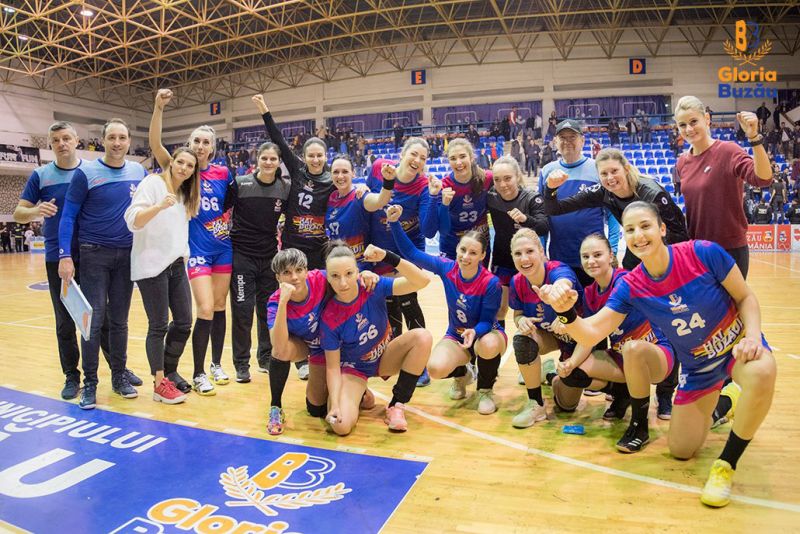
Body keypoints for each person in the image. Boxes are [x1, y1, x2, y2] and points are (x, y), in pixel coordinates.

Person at [536, 201, 776, 508]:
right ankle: (725, 403)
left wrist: (753, 336)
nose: (638, 235)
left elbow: (745, 296)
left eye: (645, 226)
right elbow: (591, 333)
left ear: (662, 229)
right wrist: (566, 312)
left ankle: (726, 465)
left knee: (761, 371)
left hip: (736, 348)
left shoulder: (703, 253)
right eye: (630, 230)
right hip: (697, 369)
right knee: (681, 450)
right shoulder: (632, 285)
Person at [14, 121, 133, 400]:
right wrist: (35, 211)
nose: (62, 144)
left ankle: (118, 369)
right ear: (50, 144)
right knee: (66, 321)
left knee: (103, 317)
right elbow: (19, 212)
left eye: (66, 138)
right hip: (58, 256)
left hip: (92, 253)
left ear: (77, 140)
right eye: (56, 140)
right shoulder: (41, 175)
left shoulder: (91, 170)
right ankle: (72, 376)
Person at [58, 118, 147, 409]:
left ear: (129, 141)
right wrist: (65, 255)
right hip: (94, 254)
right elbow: (68, 216)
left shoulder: (139, 172)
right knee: (92, 323)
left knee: (119, 321)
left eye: (122, 137)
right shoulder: (85, 173)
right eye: (112, 137)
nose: (117, 143)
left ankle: (119, 377)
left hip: (127, 256)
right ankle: (90, 383)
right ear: (103, 141)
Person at [150, 89, 235, 393]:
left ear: (213, 147)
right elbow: (156, 146)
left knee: (221, 306)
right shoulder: (183, 171)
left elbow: (233, 204)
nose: (200, 146)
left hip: (223, 249)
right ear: (190, 144)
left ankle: (216, 365)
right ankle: (198, 373)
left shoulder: (224, 173)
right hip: (197, 252)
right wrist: (159, 108)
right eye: (196, 141)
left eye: (206, 142)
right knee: (206, 308)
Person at [389, 206, 506, 413]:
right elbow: (412, 253)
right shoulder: (447, 268)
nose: (466, 256)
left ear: (482, 255)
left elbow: (487, 321)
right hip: (457, 335)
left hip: (487, 334)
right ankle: (463, 374)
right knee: (435, 368)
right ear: (457, 249)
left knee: (487, 345)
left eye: (473, 253)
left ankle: (485, 390)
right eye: (463, 250)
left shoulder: (491, 283)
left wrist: (475, 332)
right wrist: (394, 223)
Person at [556, 233, 674, 430]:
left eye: (597, 255)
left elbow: (600, 325)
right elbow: (589, 337)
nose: (591, 261)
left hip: (655, 353)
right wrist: (570, 363)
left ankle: (639, 423)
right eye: (585, 256)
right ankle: (622, 392)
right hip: (623, 355)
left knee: (632, 348)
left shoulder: (624, 281)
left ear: (610, 256)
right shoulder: (590, 293)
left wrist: (568, 320)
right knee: (573, 373)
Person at [321, 241, 432, 435]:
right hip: (354, 369)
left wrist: (388, 256)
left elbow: (422, 281)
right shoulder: (330, 317)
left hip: (384, 357)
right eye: (335, 276)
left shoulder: (372, 285)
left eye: (349, 273)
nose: (343, 283)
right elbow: (332, 368)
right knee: (340, 426)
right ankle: (360, 393)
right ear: (327, 277)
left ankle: (396, 405)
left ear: (358, 271)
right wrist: (335, 405)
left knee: (422, 337)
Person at [266, 248, 381, 435]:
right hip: (312, 348)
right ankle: (275, 407)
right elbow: (278, 346)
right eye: (287, 272)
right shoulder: (275, 302)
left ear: (306, 270)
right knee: (315, 409)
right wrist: (283, 303)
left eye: (298, 270)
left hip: (338, 345)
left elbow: (346, 276)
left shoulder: (320, 278)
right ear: (278, 277)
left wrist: (365, 274)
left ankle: (355, 391)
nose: (294, 277)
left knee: (326, 408)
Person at [124, 147, 201, 404]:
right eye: (180, 162)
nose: (184, 168)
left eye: (190, 166)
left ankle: (169, 372)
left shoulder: (185, 194)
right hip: (151, 266)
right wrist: (158, 206)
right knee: (158, 325)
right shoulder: (152, 183)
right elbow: (133, 220)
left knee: (184, 321)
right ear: (171, 162)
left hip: (176, 265)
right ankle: (159, 385)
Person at [674, 97, 772, 279]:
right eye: (682, 125)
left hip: (730, 250)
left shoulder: (728, 151)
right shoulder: (681, 162)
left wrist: (754, 138)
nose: (689, 129)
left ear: (707, 118)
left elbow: (763, 179)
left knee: (734, 299)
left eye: (694, 121)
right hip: (697, 251)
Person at [543, 148, 688, 270]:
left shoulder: (651, 194)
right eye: (604, 174)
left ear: (626, 169)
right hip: (637, 245)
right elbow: (555, 209)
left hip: (667, 250)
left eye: (614, 171)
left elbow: (679, 236)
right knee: (629, 266)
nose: (610, 178)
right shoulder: (603, 192)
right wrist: (550, 189)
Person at [366, 138, 437, 386]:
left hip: (407, 250)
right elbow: (368, 203)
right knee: (389, 305)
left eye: (423, 158)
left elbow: (427, 229)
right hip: (380, 248)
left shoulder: (423, 186)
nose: (417, 160)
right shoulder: (379, 167)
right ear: (402, 155)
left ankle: (420, 364)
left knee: (409, 301)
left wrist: (435, 197)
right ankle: (395, 359)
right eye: (413, 154)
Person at [228, 137, 291, 379]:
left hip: (269, 258)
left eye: (273, 159)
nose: (268, 162)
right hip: (242, 257)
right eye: (264, 158)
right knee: (243, 311)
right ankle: (241, 364)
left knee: (267, 310)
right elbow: (220, 210)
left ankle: (265, 357)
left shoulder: (284, 188)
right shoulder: (240, 184)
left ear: (279, 162)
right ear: (257, 160)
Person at [507, 228, 582, 428]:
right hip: (547, 335)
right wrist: (521, 320)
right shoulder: (517, 282)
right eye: (518, 253)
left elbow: (564, 281)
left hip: (576, 340)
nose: (524, 259)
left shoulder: (558, 269)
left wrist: (557, 293)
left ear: (541, 251)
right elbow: (517, 314)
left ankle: (549, 374)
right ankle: (536, 403)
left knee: (567, 405)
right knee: (522, 339)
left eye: (530, 251)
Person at [538, 119, 613, 287]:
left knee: (595, 300)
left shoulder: (597, 169)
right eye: (562, 137)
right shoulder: (547, 171)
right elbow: (542, 216)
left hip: (594, 257)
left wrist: (613, 248)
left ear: (582, 140)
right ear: (555, 141)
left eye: (572, 137)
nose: (567, 141)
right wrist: (541, 250)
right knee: (565, 300)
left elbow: (611, 214)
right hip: (560, 256)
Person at [487, 156, 548, 330]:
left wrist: (525, 219)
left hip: (528, 260)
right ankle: (497, 343)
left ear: (517, 176)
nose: (503, 184)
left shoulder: (531, 198)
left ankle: (534, 341)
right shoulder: (491, 197)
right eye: (497, 180)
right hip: (503, 260)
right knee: (500, 309)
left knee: (534, 309)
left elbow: (544, 226)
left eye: (508, 178)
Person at [428, 138, 493, 261]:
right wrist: (444, 205)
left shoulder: (488, 178)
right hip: (452, 245)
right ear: (448, 161)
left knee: (480, 274)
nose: (458, 162)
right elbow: (442, 230)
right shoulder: (444, 186)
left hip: (479, 241)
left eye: (462, 156)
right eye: (453, 158)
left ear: (471, 157)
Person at [326, 154, 393, 267]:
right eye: (336, 172)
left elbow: (381, 200)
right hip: (337, 264)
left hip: (359, 267)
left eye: (345, 171)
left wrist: (388, 181)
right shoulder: (331, 197)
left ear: (353, 173)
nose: (340, 176)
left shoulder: (359, 196)